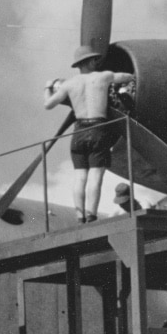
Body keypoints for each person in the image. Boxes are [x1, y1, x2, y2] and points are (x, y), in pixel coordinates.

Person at [45, 46, 136, 223]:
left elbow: (48, 105)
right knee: (95, 176)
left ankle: (80, 217)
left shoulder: (69, 84)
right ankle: (92, 215)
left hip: (78, 132)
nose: (97, 62)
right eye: (94, 60)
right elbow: (129, 77)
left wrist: (48, 87)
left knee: (80, 177)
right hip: (98, 129)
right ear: (88, 62)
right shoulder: (104, 76)